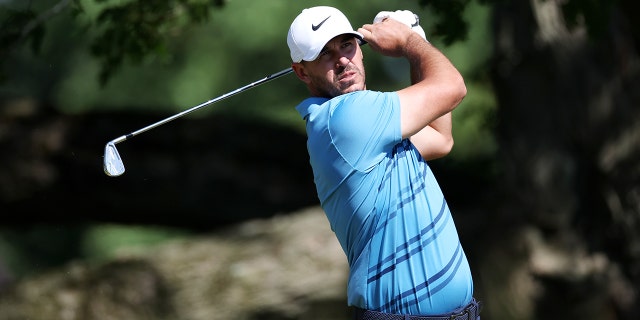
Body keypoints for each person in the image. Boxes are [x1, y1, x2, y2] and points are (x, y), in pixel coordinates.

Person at [287, 6, 481, 320]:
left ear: (360, 50)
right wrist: (408, 41)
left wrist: (416, 42)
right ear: (302, 72)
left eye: (346, 45)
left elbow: (439, 137)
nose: (341, 59)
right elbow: (453, 88)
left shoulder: (366, 127)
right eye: (324, 53)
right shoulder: (345, 118)